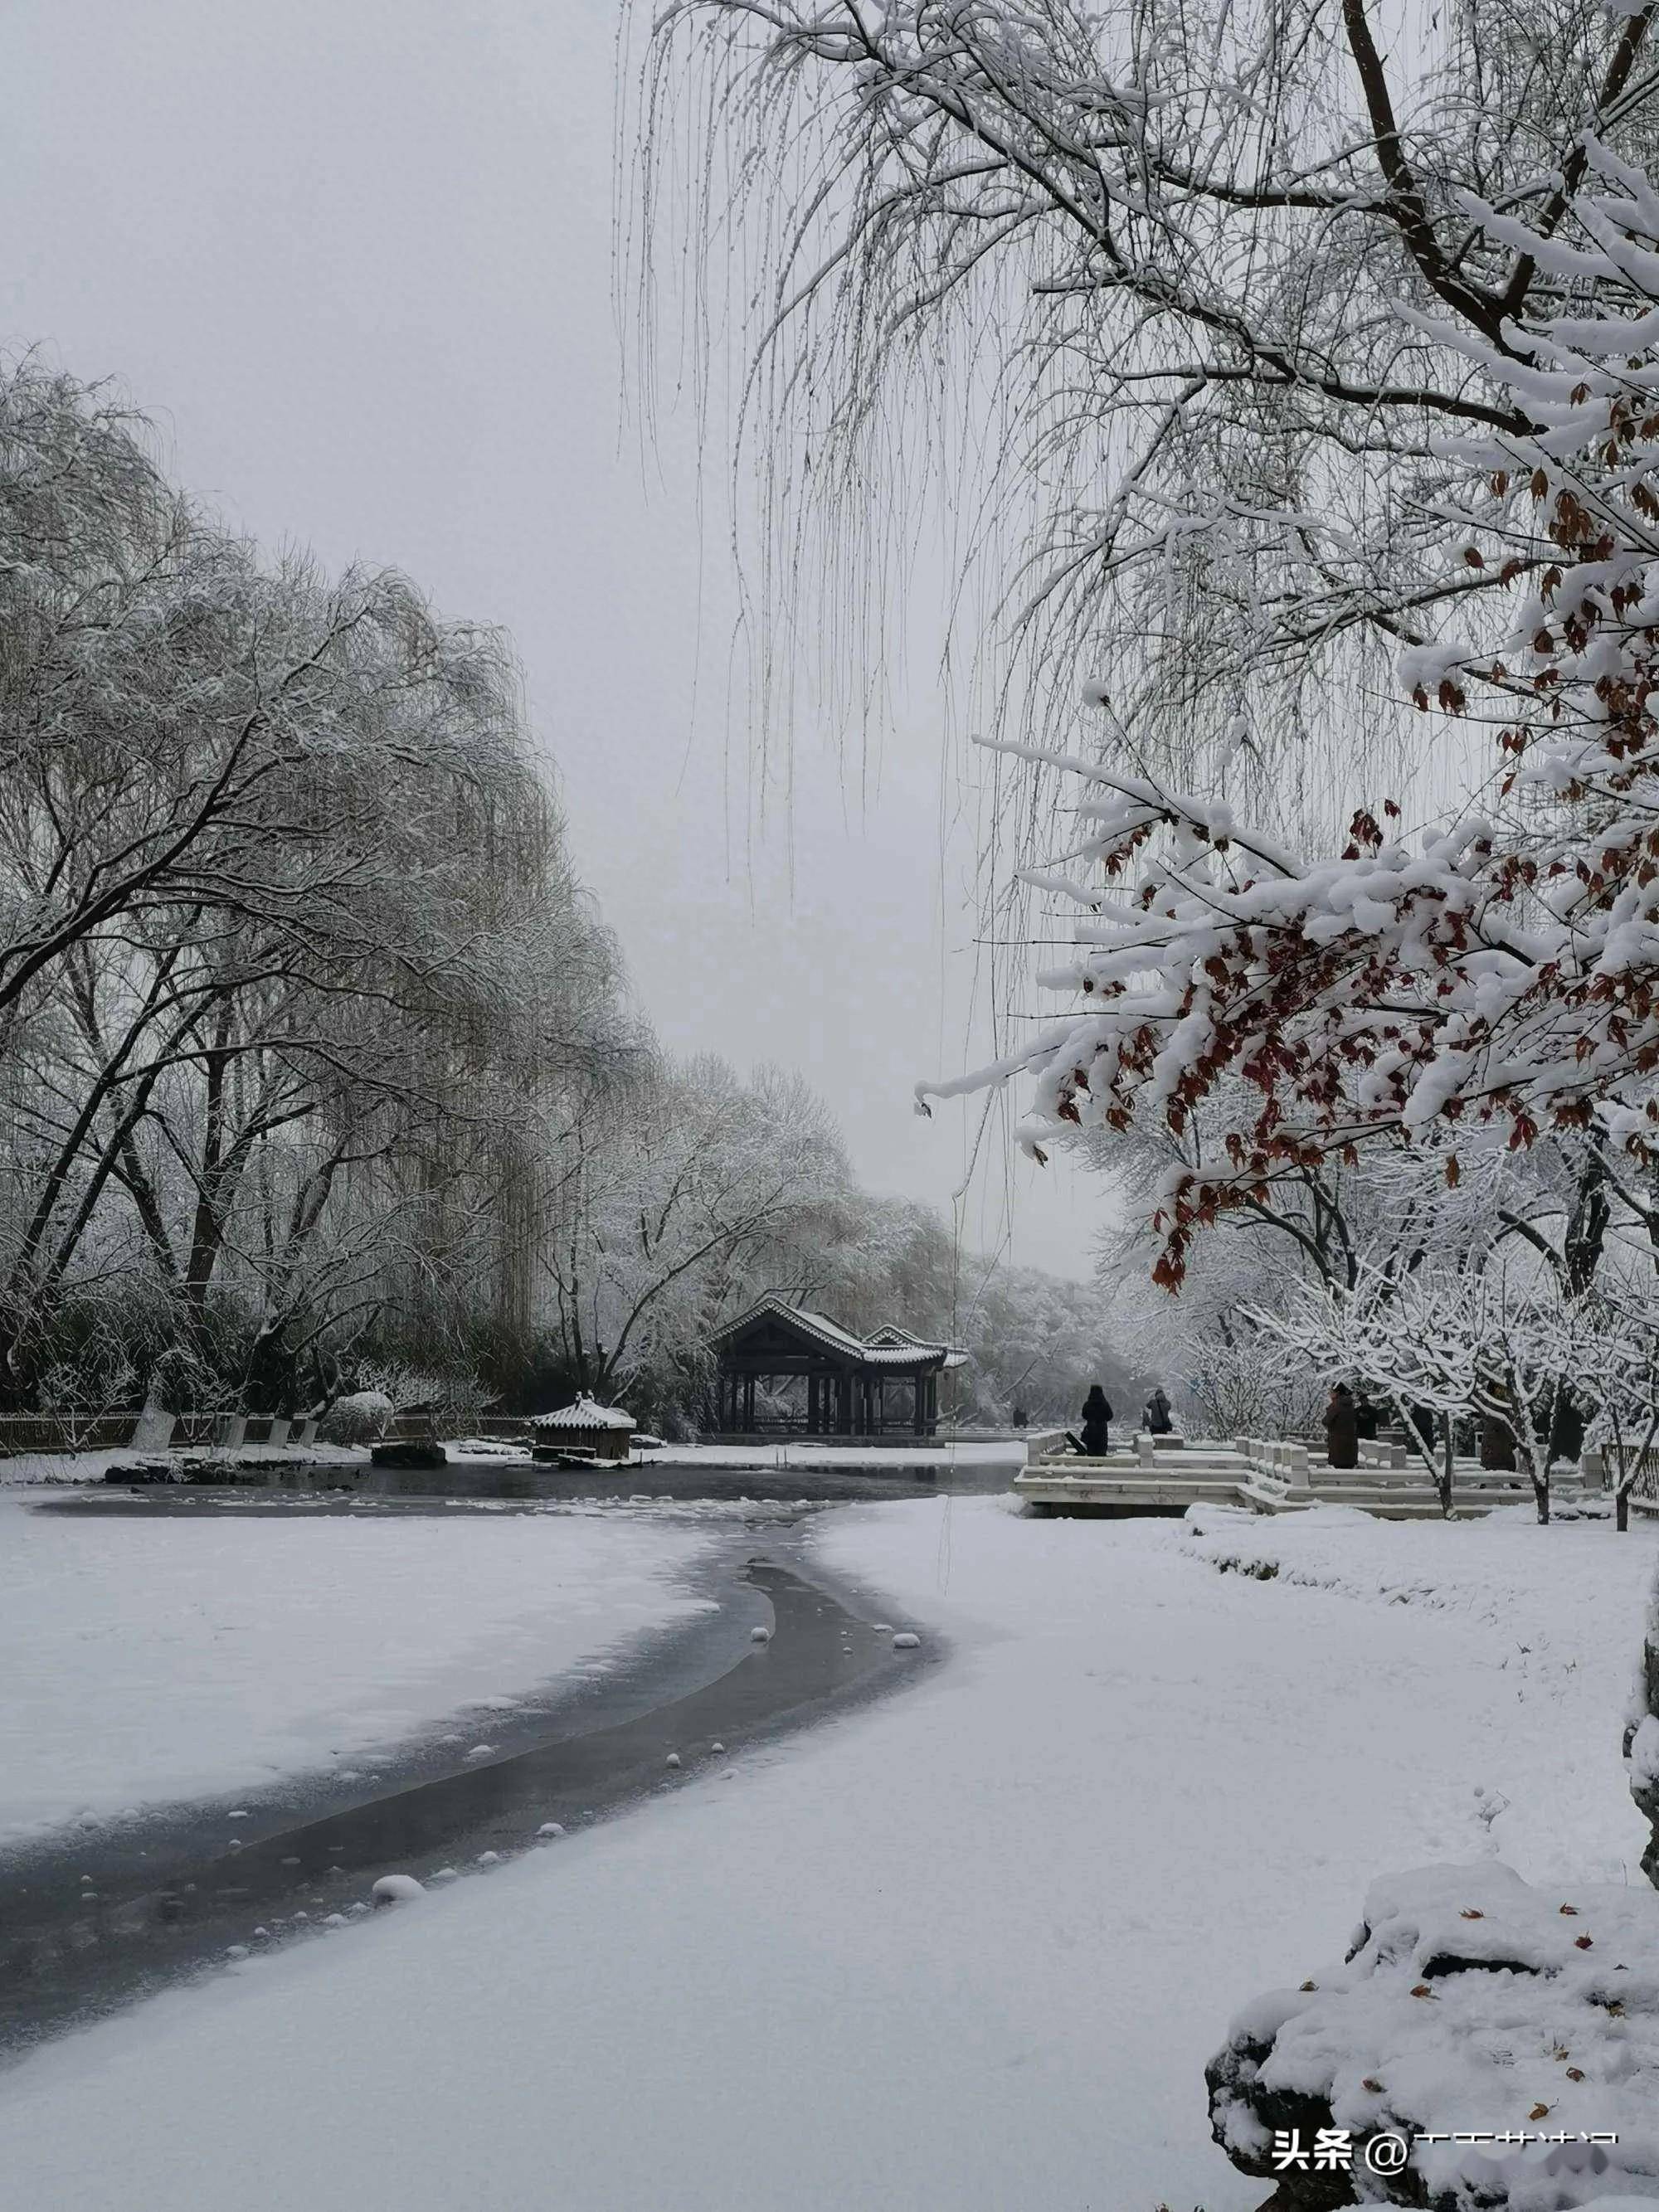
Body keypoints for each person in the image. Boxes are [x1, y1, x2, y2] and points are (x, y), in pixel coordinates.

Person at [1324, 1383, 1359, 1469]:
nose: (1329, 1394)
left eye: (1331, 1392)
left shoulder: (1336, 1405)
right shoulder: (1351, 1405)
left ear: (1337, 1393)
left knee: (1339, 1473)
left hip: (1338, 1446)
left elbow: (1326, 1421)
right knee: (1348, 1475)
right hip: (1351, 1446)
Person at [1077, 1383, 1114, 1457]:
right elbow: (1110, 1416)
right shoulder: (1105, 1404)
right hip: (1102, 1430)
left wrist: (1091, 1419)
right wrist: (1103, 1419)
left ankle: (1091, 1467)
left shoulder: (1087, 1404)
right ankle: (1100, 1467)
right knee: (1101, 1452)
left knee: (1091, 1451)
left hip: (1091, 1430)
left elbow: (1084, 1415)